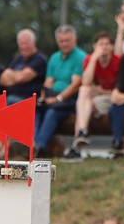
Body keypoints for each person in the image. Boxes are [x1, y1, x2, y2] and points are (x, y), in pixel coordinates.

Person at [0, 29, 48, 158]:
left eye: (26, 43)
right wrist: (15, 76)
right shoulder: (18, 59)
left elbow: (21, 78)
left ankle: (6, 148)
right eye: (21, 44)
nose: (23, 47)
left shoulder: (40, 60)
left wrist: (13, 76)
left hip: (29, 100)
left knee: (11, 104)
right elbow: (2, 79)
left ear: (34, 43)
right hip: (12, 97)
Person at [65, 31, 120, 160]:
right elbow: (86, 82)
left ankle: (76, 146)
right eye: (101, 44)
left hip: (112, 99)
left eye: (107, 44)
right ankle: (82, 132)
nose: (104, 47)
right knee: (84, 91)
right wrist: (94, 59)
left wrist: (101, 91)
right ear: (94, 46)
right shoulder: (90, 59)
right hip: (95, 100)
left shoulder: (117, 61)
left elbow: (120, 88)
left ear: (112, 46)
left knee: (83, 105)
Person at [34, 25, 87, 155]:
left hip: (70, 100)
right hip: (53, 97)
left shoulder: (80, 57)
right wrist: (43, 98)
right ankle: (31, 145)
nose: (64, 44)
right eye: (61, 41)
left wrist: (58, 99)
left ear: (75, 40)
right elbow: (48, 82)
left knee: (52, 112)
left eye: (67, 40)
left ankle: (40, 147)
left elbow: (76, 84)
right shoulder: (54, 57)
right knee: (36, 109)